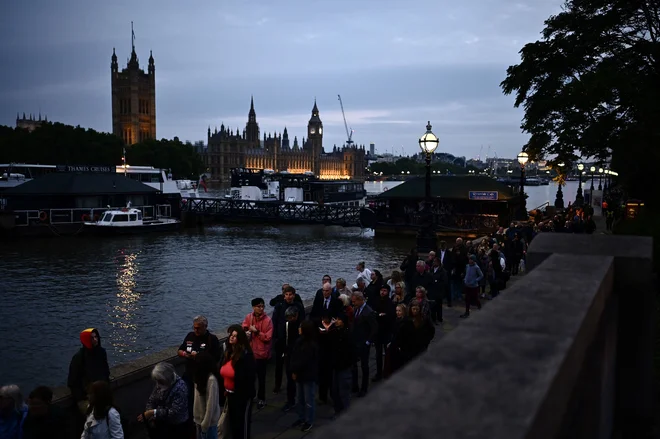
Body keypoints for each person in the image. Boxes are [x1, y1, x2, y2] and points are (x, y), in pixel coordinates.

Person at [220, 325, 256, 439]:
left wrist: (237, 392)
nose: (231, 338)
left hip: (242, 397)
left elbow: (248, 379)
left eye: (235, 336)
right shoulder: (228, 353)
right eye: (231, 335)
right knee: (233, 426)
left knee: (241, 426)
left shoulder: (246, 356)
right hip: (229, 395)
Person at [138, 362, 189, 439]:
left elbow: (174, 412)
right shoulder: (161, 382)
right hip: (162, 422)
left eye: (160, 382)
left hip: (176, 426)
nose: (158, 385)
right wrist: (151, 416)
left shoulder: (180, 387)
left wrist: (152, 412)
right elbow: (152, 399)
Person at [68, 328, 111, 415]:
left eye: (96, 337)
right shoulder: (79, 357)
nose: (95, 340)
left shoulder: (101, 352)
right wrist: (83, 397)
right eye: (92, 338)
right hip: (86, 397)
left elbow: (106, 372)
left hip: (101, 393)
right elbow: (73, 380)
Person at [241, 298, 273, 410]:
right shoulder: (248, 317)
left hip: (261, 354)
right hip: (250, 353)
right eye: (258, 306)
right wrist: (246, 331)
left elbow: (268, 338)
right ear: (253, 307)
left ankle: (261, 398)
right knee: (250, 377)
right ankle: (251, 395)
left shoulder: (268, 320)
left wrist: (257, 332)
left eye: (262, 306)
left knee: (261, 378)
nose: (261, 308)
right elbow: (243, 329)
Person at [289, 320, 319, 432]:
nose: (298, 328)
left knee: (308, 399)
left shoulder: (311, 345)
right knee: (300, 398)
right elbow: (295, 357)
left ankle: (309, 421)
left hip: (307, 375)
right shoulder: (299, 341)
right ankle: (301, 418)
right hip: (300, 374)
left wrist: (295, 370)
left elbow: (304, 361)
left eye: (300, 327)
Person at [192, 352, 221, 439]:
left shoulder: (211, 380)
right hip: (198, 420)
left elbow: (210, 405)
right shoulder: (199, 378)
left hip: (208, 423)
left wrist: (205, 425)